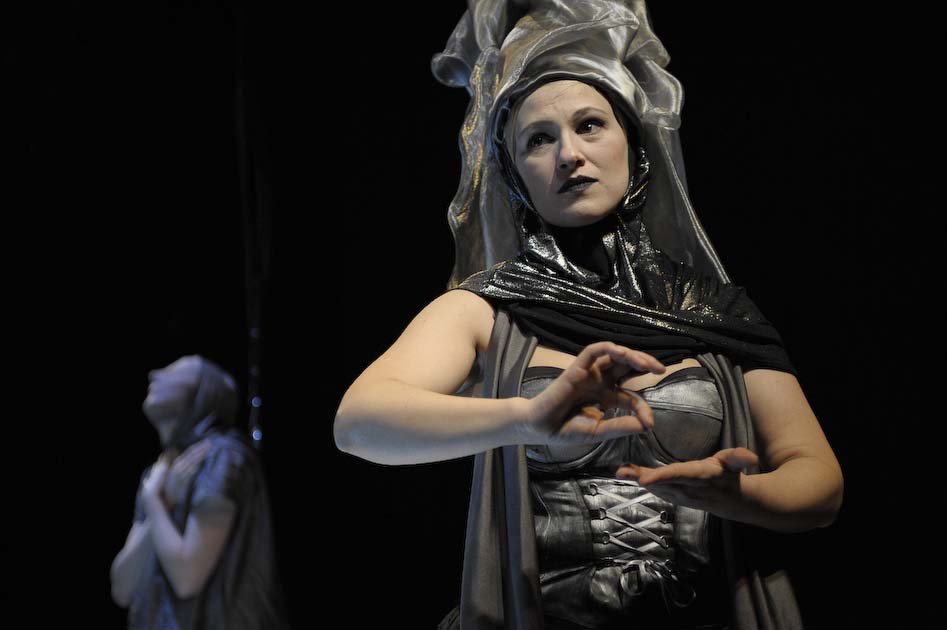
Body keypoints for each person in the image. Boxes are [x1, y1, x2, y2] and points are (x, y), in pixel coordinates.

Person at [334, 2, 843, 628]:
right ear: (516, 176)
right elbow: (358, 425)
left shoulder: (714, 310)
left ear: (634, 146)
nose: (569, 155)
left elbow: (820, 484)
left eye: (590, 126)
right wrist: (525, 418)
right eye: (538, 140)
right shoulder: (488, 306)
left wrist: (741, 496)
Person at [110, 355, 289, 629]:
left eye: (175, 372)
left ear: (204, 392)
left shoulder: (220, 456)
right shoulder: (159, 472)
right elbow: (122, 588)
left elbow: (187, 577)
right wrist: (159, 502)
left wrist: (154, 503)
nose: (155, 374)